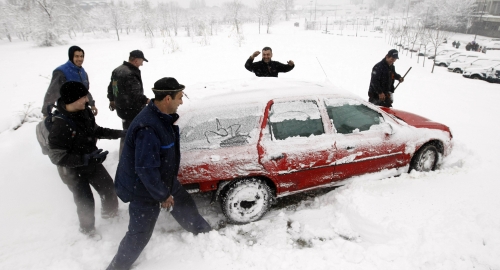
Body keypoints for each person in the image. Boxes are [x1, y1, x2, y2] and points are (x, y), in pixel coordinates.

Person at [107, 77, 212, 270]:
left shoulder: (160, 118)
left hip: (163, 180)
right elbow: (146, 170)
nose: (181, 102)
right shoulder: (147, 128)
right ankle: (117, 267)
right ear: (167, 99)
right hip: (144, 188)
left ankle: (204, 233)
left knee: (184, 203)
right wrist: (162, 195)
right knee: (139, 233)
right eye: (179, 97)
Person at [48, 81, 124, 238]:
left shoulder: (85, 112)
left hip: (91, 161)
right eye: (82, 97)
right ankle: (87, 231)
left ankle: (110, 218)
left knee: (109, 188)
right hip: (70, 169)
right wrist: (84, 158)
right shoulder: (60, 125)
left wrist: (122, 133)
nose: (87, 100)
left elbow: (95, 131)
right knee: (85, 201)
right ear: (71, 100)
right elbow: (56, 156)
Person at [107, 50, 150, 156]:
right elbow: (135, 95)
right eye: (141, 61)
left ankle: (124, 153)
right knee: (135, 132)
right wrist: (147, 101)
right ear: (136, 60)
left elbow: (111, 87)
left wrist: (112, 99)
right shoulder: (131, 73)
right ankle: (129, 155)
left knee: (127, 131)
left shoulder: (117, 70)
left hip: (122, 109)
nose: (142, 64)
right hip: (132, 110)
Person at [42, 46, 98, 117]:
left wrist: (92, 104)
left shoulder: (83, 72)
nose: (80, 59)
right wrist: (46, 113)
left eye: (81, 56)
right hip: (67, 111)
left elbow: (84, 91)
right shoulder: (61, 72)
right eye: (77, 56)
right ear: (71, 57)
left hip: (82, 109)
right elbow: (52, 93)